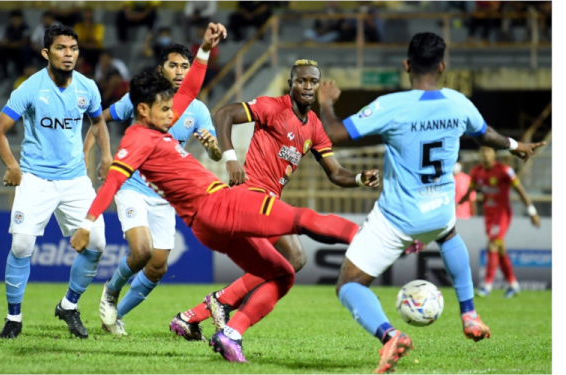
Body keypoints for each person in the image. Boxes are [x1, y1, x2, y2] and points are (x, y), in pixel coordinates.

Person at [70, 72, 377, 364]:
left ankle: (229, 333)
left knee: (285, 272)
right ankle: (372, 237)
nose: (172, 114)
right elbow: (113, 180)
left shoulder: (156, 130)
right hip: (228, 203)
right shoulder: (138, 139)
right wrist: (87, 223)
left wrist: (205, 46)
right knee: (302, 219)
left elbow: (189, 91)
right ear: (143, 109)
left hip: (206, 224)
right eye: (165, 109)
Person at [316, 32, 546, 373]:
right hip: (439, 209)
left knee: (349, 283)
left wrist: (326, 102)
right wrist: (515, 146)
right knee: (449, 234)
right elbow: (485, 135)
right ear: (442, 66)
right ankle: (469, 314)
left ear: (407, 65)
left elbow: (334, 134)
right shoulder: (458, 102)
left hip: (398, 216)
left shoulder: (391, 105)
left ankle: (390, 336)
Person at [170, 59, 380, 341]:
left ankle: (192, 315)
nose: (307, 86)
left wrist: (358, 178)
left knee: (286, 263)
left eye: (313, 82)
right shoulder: (273, 107)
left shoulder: (315, 126)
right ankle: (218, 303)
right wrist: (231, 160)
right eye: (301, 81)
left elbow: (335, 172)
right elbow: (224, 114)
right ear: (291, 84)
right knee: (293, 257)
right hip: (250, 195)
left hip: (268, 202)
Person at [83, 28, 225, 336]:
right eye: (173, 65)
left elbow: (214, 155)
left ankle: (115, 316)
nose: (179, 72)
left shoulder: (196, 109)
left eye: (185, 66)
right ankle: (111, 289)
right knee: (143, 250)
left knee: (158, 265)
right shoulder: (142, 99)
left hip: (165, 196)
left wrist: (213, 146)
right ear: (161, 69)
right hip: (132, 186)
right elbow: (99, 119)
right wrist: (100, 156)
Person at [0, 25, 112, 340]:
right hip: (35, 179)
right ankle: (13, 318)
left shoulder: (88, 87)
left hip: (74, 181)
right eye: (60, 48)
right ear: (46, 53)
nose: (68, 53)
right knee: (22, 245)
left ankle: (69, 306)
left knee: (97, 244)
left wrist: (105, 156)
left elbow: (98, 121)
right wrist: (12, 165)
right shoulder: (30, 88)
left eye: (73, 48)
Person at [457, 146, 541, 298]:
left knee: (492, 244)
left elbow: (520, 190)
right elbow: (469, 194)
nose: (485, 154)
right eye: (482, 151)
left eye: (488, 151)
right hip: (489, 216)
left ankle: (487, 285)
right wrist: (456, 204)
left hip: (502, 214)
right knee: (500, 249)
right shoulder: (476, 172)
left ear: (494, 153)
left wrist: (532, 212)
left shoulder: (504, 170)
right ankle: (513, 284)